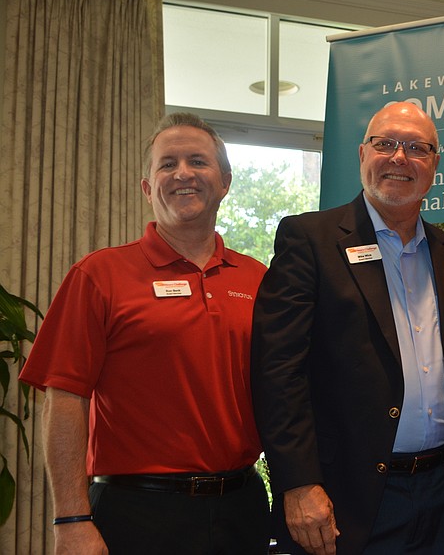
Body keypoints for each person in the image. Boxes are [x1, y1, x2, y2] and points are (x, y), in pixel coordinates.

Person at [18, 113, 271, 554]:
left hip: (241, 508)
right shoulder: (98, 275)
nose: (183, 173)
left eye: (197, 161)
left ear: (225, 181)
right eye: (167, 164)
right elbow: (63, 401)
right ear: (147, 187)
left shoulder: (259, 279)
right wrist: (72, 519)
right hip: (135, 513)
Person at [251, 101, 444, 555]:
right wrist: (298, 483)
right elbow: (277, 373)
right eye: (385, 144)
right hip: (345, 497)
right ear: (362, 154)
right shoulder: (309, 240)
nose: (399, 158)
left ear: (435, 164)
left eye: (416, 148)